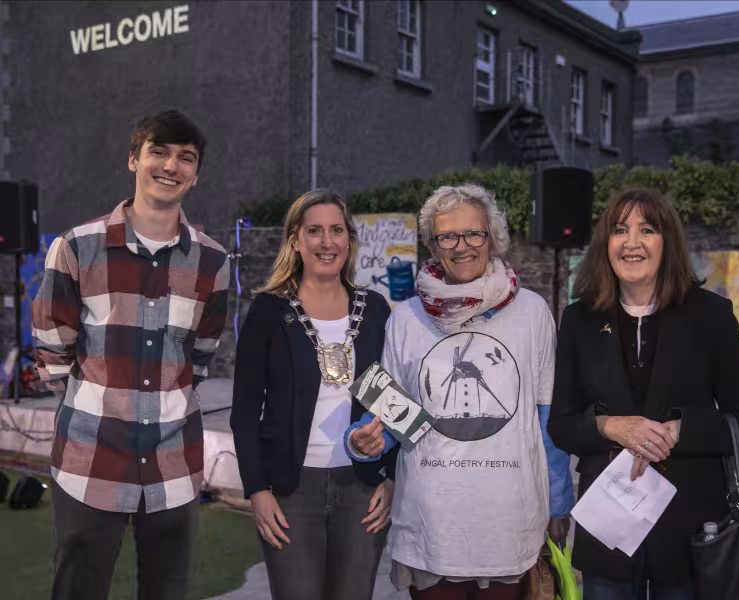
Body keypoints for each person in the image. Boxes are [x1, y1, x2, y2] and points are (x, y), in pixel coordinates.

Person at [33, 109, 230, 600]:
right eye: (158, 152)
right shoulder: (78, 247)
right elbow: (53, 348)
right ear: (133, 160)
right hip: (89, 460)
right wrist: (95, 404)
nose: (171, 166)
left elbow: (201, 352)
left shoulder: (214, 262)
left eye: (185, 158)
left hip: (174, 466)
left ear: (196, 173)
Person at [345, 183, 574, 600]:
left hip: (508, 521)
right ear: (433, 245)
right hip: (431, 525)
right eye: (447, 236)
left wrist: (558, 504)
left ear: (492, 238)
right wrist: (364, 441)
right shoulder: (406, 319)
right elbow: (392, 415)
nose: (461, 246)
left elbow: (547, 420)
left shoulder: (532, 312)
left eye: (474, 234)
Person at [548, 188, 739, 600]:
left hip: (692, 532)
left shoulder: (711, 316)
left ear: (667, 242)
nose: (632, 242)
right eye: (619, 230)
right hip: (609, 532)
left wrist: (682, 430)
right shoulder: (578, 319)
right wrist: (609, 425)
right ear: (605, 245)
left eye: (647, 229)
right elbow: (561, 425)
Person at [230, 190, 398, 600]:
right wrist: (257, 490)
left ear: (350, 239)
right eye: (315, 231)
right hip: (290, 490)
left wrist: (392, 477)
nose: (327, 242)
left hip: (363, 489)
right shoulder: (270, 311)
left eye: (337, 230)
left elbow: (392, 402)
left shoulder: (375, 309)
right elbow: (245, 410)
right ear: (295, 241)